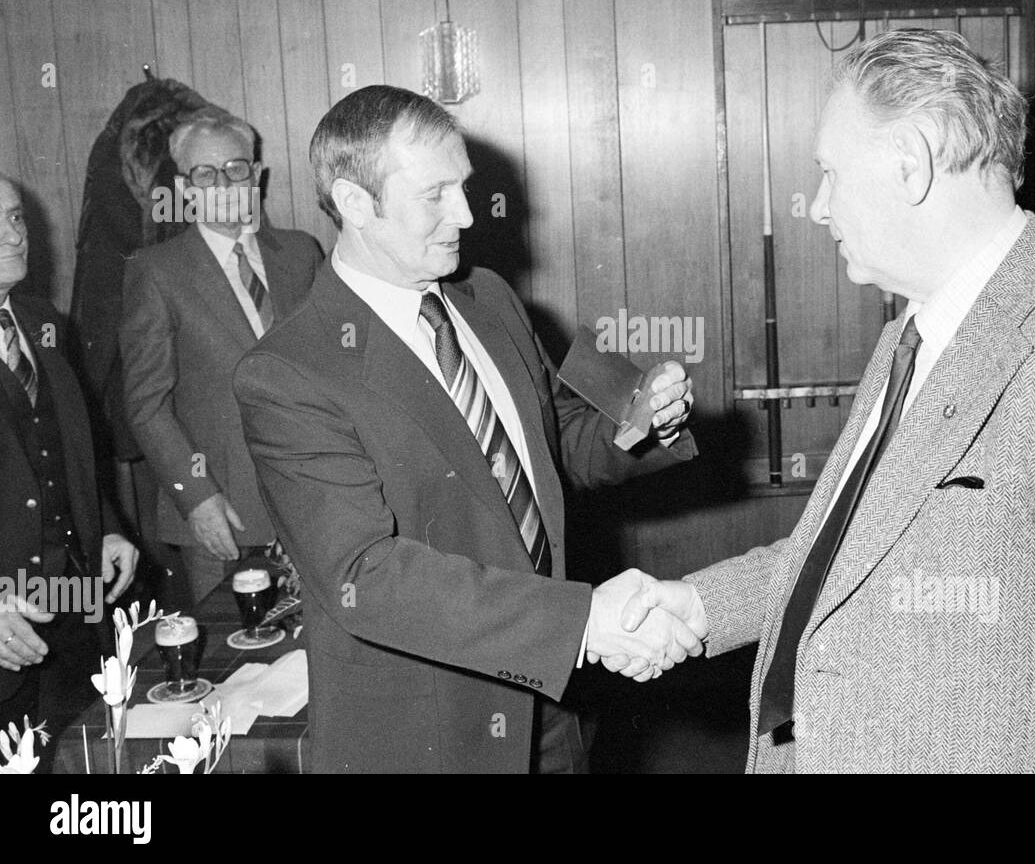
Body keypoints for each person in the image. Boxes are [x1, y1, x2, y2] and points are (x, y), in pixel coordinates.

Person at [627, 28, 1035, 772]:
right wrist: (697, 607)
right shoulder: (911, 334)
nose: (818, 206)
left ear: (909, 165)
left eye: (830, 173)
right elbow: (856, 557)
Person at [232, 85, 704, 773]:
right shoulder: (287, 374)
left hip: (556, 705)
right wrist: (580, 623)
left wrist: (642, 424)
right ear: (356, 203)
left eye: (464, 187)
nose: (465, 213)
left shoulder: (488, 299)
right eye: (435, 194)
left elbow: (556, 438)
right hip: (434, 731)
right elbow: (369, 575)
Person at [120, 107, 323, 606]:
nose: (223, 184)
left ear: (257, 175)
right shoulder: (157, 272)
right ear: (186, 188)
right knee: (233, 668)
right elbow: (148, 405)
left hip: (317, 500)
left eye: (235, 168)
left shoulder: (302, 254)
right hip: (224, 515)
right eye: (204, 174)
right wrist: (198, 497)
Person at [0, 175, 138, 745]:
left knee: (86, 769)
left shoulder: (43, 323)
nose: (13, 236)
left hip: (73, 607)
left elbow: (68, 450)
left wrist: (103, 528)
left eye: (14, 218)